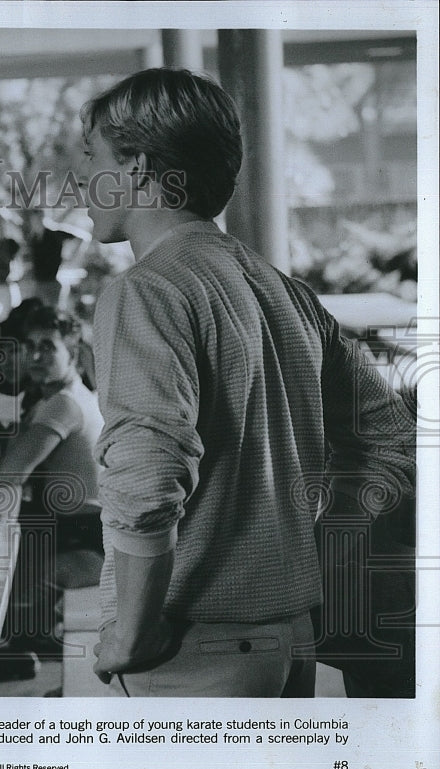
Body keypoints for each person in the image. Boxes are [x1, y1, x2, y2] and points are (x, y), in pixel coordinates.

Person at [80, 68, 416, 697]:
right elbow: (391, 436)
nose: (79, 178)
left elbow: (148, 472)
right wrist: (300, 555)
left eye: (91, 156)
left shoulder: (144, 292)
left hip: (191, 648)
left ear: (138, 168)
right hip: (290, 640)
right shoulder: (284, 292)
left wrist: (131, 630)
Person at [0, 306, 105, 674]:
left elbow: (7, 479)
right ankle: (24, 637)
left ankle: (5, 648)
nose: (34, 356)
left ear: (73, 354)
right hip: (76, 533)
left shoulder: (63, 406)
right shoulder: (66, 396)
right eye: (29, 346)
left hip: (81, 541)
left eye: (48, 347)